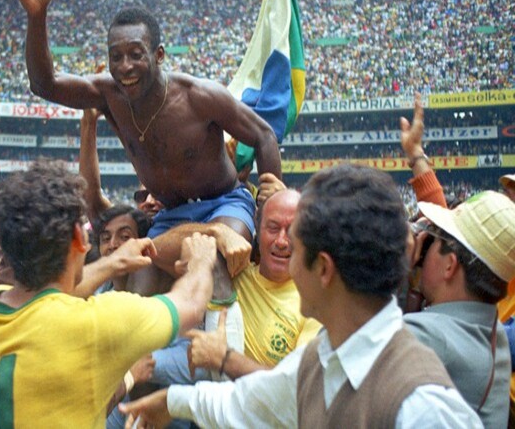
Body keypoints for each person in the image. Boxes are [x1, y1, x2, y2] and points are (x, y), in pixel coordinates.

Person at [120, 163, 482, 428]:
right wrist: (173, 401)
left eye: (296, 244)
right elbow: (252, 402)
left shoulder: (425, 410)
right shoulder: (322, 358)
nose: (285, 253)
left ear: (323, 268)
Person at [15, 0, 280, 294]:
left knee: (214, 260)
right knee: (137, 288)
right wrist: (37, 15)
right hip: (170, 217)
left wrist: (267, 210)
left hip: (224, 204)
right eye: (116, 56)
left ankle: (221, 331)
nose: (125, 66)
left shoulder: (199, 96)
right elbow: (44, 84)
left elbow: (263, 135)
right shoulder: (108, 95)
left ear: (159, 55)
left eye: (136, 54)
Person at [0, 159, 219, 428]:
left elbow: (49, 294)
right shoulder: (96, 321)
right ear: (79, 236)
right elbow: (190, 304)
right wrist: (201, 261)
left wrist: (113, 262)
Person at [186, 189, 321, 380]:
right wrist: (215, 231)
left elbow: (295, 384)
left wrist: (224, 359)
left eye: (293, 231)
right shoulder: (233, 271)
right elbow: (157, 247)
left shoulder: (314, 305)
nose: (281, 241)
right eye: (273, 228)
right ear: (258, 230)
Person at [406, 191, 514, 427]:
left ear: (450, 266)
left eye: (434, 240)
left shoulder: (425, 336)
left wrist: (394, 271)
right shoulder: (494, 333)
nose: (425, 248)